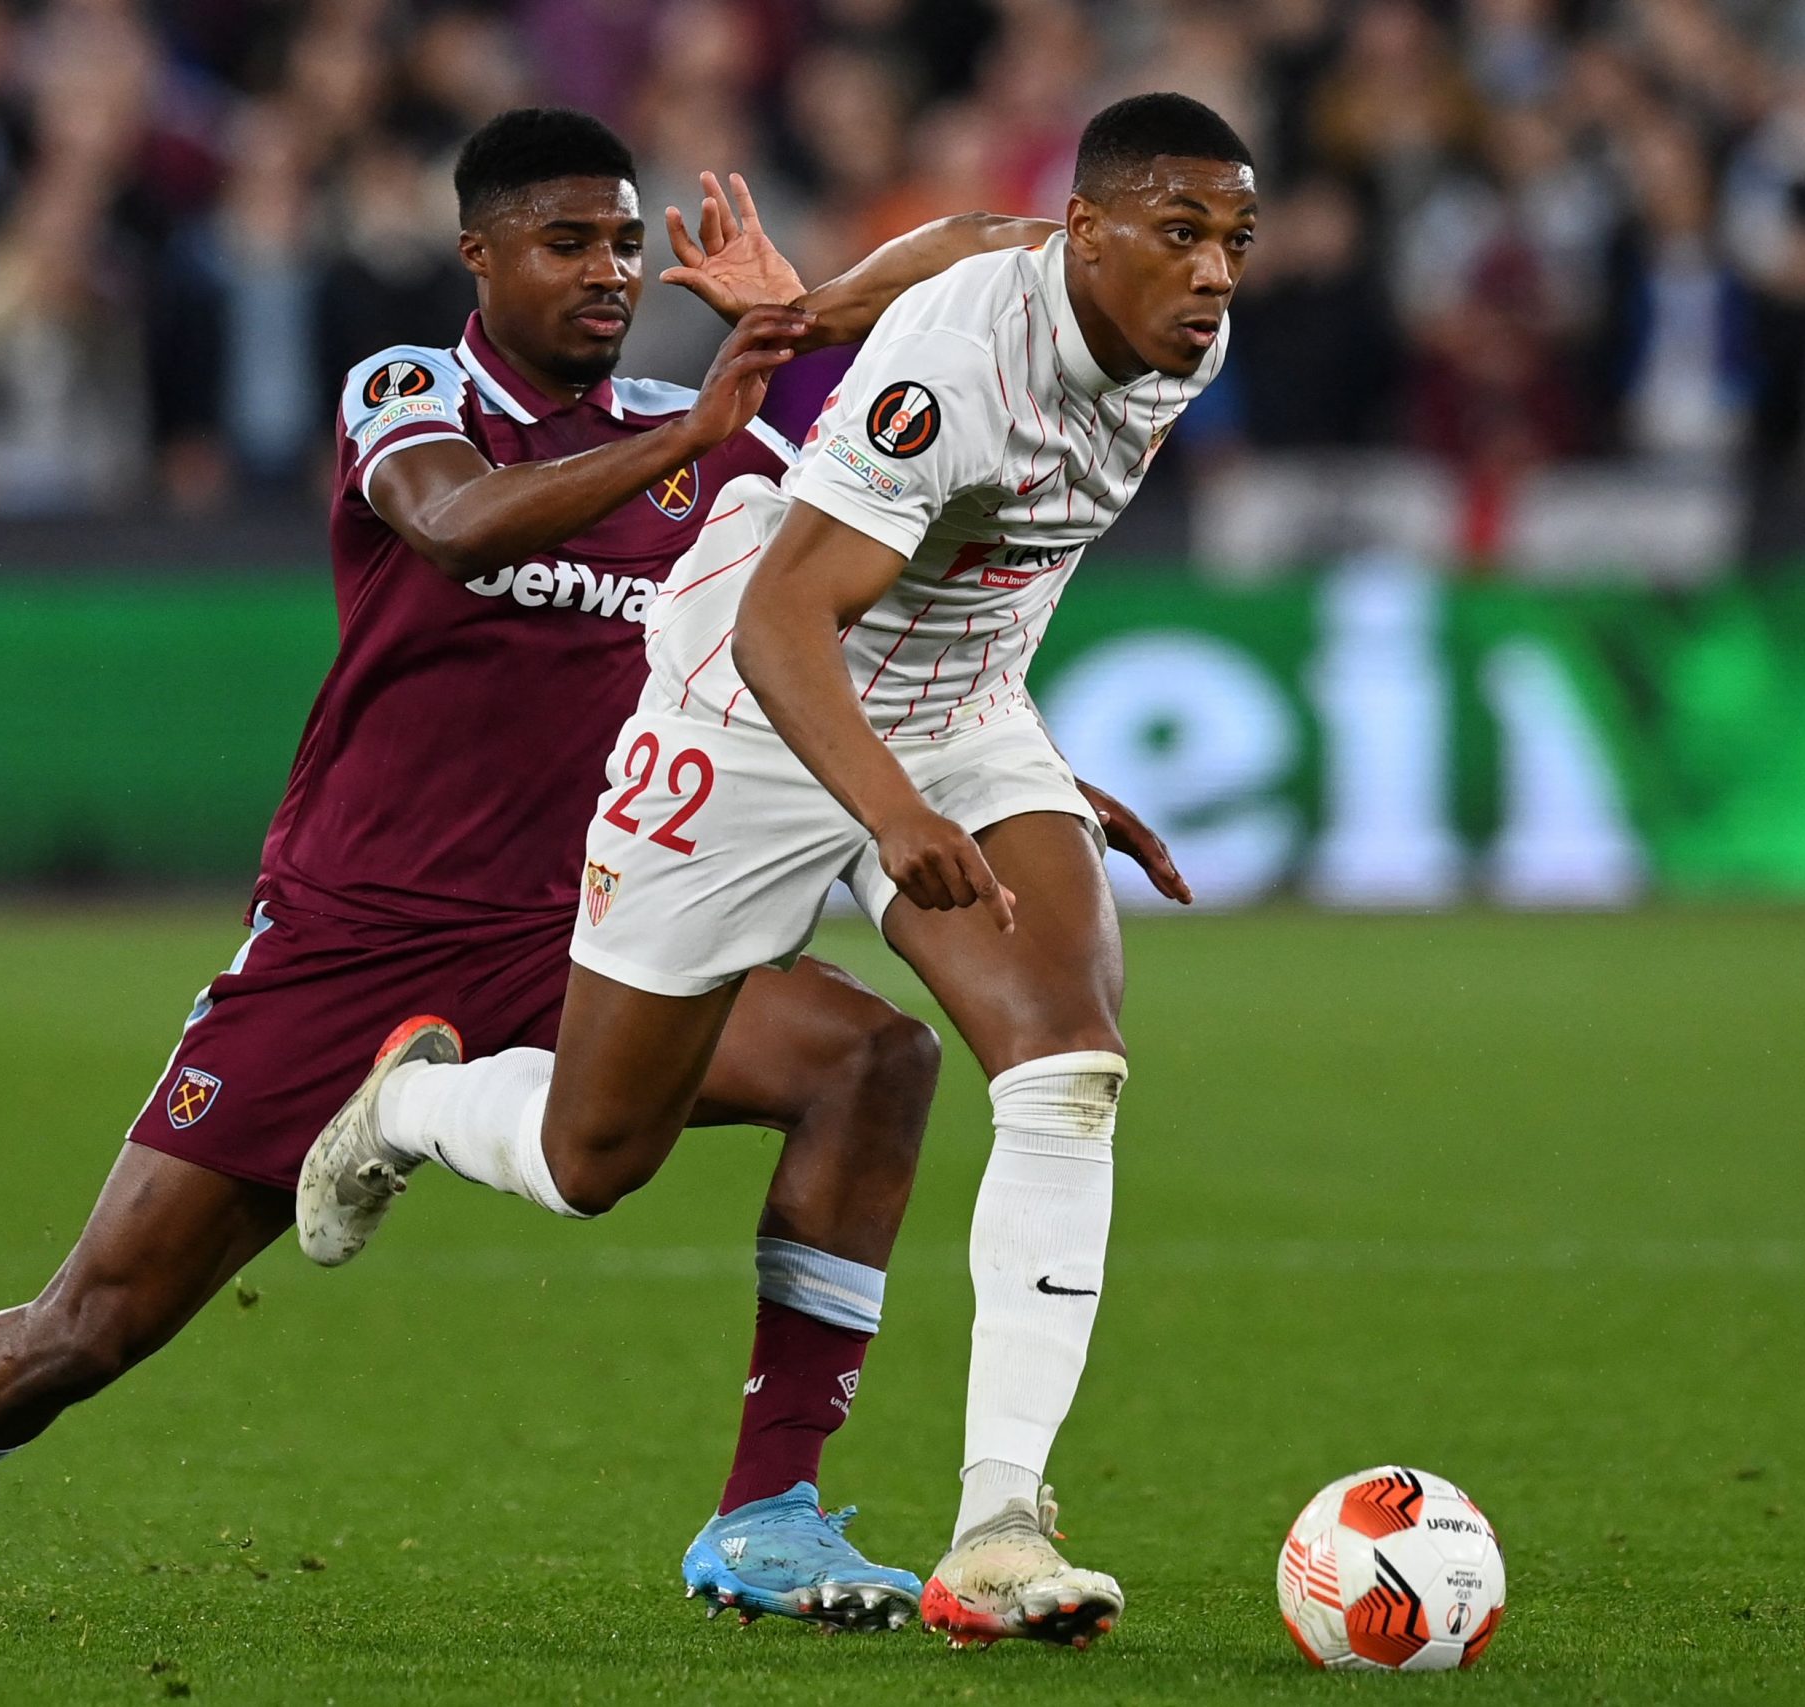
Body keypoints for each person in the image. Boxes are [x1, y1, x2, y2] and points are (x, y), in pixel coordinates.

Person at [0, 107, 1076, 1636]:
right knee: (94, 1323)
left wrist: (1029, 776)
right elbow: (457, 527)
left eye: (621, 243)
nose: (607, 272)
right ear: (478, 255)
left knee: (870, 1061)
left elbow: (849, 630)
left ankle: (768, 1514)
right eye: (566, 244)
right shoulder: (415, 394)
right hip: (352, 943)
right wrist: (680, 434)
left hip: (591, 928)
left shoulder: (727, 439)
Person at [302, 92, 1233, 1650]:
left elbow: (973, 233)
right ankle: (406, 1102)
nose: (1214, 277)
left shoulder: (1146, 319)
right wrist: (886, 817)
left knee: (1066, 1064)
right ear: (1100, 232)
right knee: (598, 1157)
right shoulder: (948, 381)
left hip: (955, 713)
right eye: (1186, 234)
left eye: (1235, 242)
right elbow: (779, 624)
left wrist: (806, 308)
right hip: (752, 714)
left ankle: (1002, 1523)